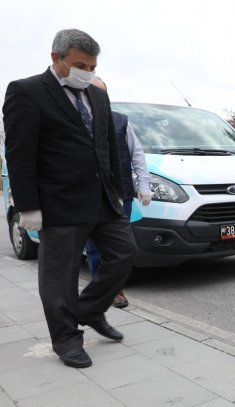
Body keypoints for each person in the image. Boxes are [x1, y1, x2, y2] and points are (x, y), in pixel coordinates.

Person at [3, 29, 138, 368]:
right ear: (56, 58)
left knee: (125, 253)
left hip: (103, 201)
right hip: (58, 203)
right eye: (79, 64)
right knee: (59, 277)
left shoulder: (98, 95)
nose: (87, 72)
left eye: (92, 66)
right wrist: (27, 206)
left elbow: (107, 149)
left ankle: (89, 309)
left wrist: (118, 194)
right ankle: (65, 338)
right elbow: (20, 154)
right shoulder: (27, 92)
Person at [84, 76, 151, 309]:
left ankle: (115, 289)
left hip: (120, 194)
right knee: (94, 247)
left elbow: (138, 155)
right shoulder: (76, 119)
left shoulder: (120, 121)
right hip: (89, 195)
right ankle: (103, 290)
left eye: (101, 93)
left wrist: (144, 186)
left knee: (121, 246)